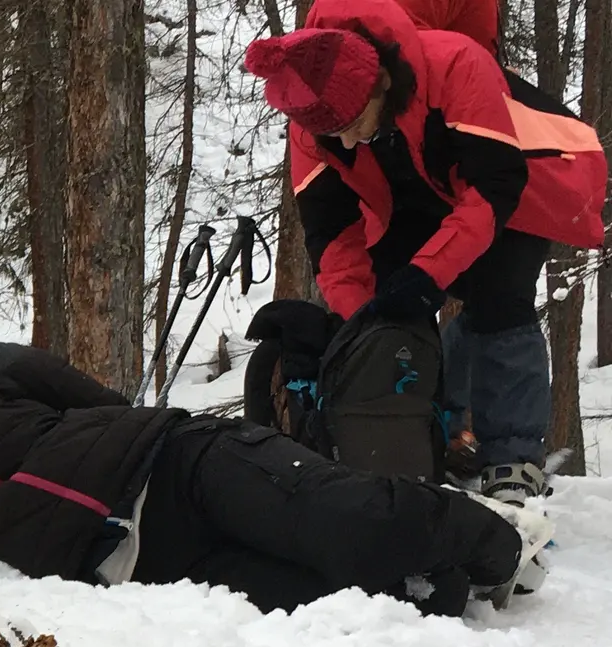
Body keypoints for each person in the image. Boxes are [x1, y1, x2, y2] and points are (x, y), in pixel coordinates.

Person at [0, 319, 550, 615]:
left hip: (180, 466)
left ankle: (503, 546)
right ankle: (452, 579)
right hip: (147, 562)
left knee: (353, 523)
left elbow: (107, 402)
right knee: (348, 599)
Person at [244, 0, 605, 505]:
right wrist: (364, 320)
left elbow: (493, 188)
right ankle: (433, 431)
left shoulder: (456, 62)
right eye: (332, 134)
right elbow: (331, 235)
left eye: (351, 122)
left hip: (508, 177)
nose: (344, 139)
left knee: (499, 299)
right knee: (390, 309)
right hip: (409, 190)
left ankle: (513, 460)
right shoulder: (313, 120)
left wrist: (429, 275)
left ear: (381, 83)